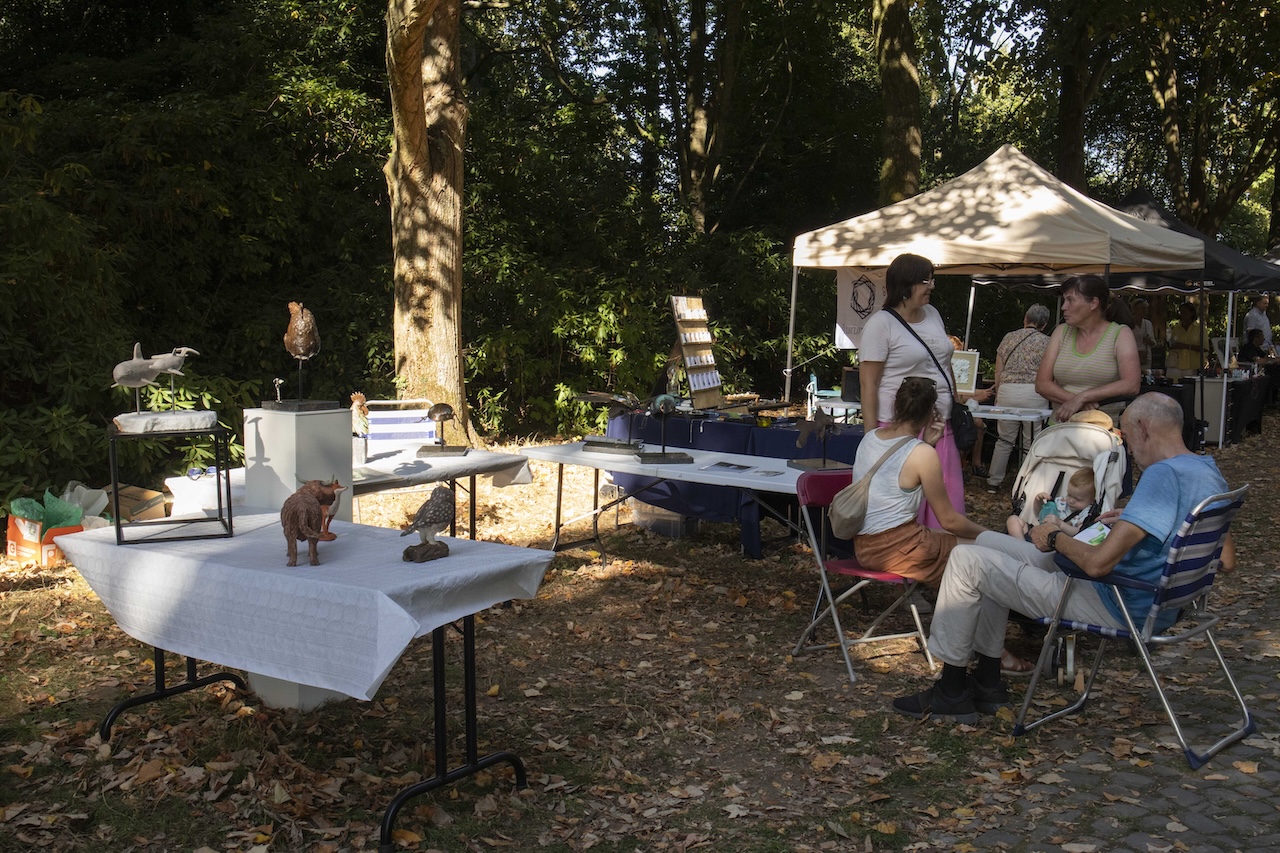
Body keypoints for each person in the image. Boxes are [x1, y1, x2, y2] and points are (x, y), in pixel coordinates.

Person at [891, 392, 1234, 722]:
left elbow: (1097, 564)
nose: (1129, 448)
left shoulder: (1162, 475)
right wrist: (1132, 524)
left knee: (965, 560)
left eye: (1128, 437)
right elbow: (1226, 558)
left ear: (1144, 428)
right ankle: (987, 681)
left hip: (1117, 600)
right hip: (1153, 598)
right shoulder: (1206, 471)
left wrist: (1055, 537)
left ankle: (951, 691)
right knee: (986, 544)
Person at [859, 254, 965, 530]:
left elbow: (944, 362)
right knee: (905, 506)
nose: (932, 286)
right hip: (898, 429)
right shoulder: (880, 324)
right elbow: (868, 384)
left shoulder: (933, 314)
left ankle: (945, 554)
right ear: (905, 285)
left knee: (946, 504)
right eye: (925, 281)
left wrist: (954, 402)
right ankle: (908, 552)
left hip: (940, 425)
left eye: (932, 280)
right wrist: (871, 439)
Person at [849, 377, 988, 585]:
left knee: (953, 541)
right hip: (898, 549)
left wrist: (927, 444)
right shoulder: (922, 454)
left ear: (896, 405)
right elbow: (950, 521)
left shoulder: (870, 438)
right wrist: (990, 536)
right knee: (985, 552)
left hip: (864, 548)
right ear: (932, 413)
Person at [1035, 275, 1141, 423]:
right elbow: (1041, 384)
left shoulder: (1120, 334)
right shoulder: (1061, 332)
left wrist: (1084, 397)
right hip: (1060, 428)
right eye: (1064, 300)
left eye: (1070, 300)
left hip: (1104, 429)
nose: (1064, 307)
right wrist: (1075, 400)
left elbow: (1131, 384)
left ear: (1093, 303)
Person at [984, 305, 1051, 492]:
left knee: (1004, 439)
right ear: (1044, 324)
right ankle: (1025, 483)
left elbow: (999, 370)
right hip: (1034, 393)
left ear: (1025, 318)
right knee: (1031, 440)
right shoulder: (1048, 342)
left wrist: (999, 393)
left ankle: (994, 481)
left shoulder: (1008, 337)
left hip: (1007, 391)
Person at [1006, 467, 1095, 540]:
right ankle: (1021, 545)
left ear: (1092, 500)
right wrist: (1038, 501)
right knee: (1013, 520)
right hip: (1038, 534)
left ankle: (1022, 549)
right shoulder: (1062, 502)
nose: (1071, 500)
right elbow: (1040, 515)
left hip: (1055, 543)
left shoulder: (1087, 514)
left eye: (1077, 499)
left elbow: (1079, 532)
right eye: (1069, 495)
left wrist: (1060, 524)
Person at [1165, 301, 1203, 381]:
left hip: (1191, 365)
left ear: (1192, 313)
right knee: (1173, 384)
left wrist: (1185, 346)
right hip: (1175, 363)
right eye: (1181, 312)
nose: (1182, 314)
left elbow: (1204, 348)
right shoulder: (1176, 328)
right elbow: (1171, 343)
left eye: (1185, 312)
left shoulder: (1200, 328)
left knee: (1188, 386)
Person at [1131, 298, 1158, 376]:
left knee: (1145, 377)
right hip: (1132, 357)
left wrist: (1149, 341)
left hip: (1146, 357)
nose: (1145, 311)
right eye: (1142, 308)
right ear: (1135, 309)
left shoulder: (1148, 323)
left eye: (1146, 309)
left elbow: (1154, 343)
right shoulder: (1129, 323)